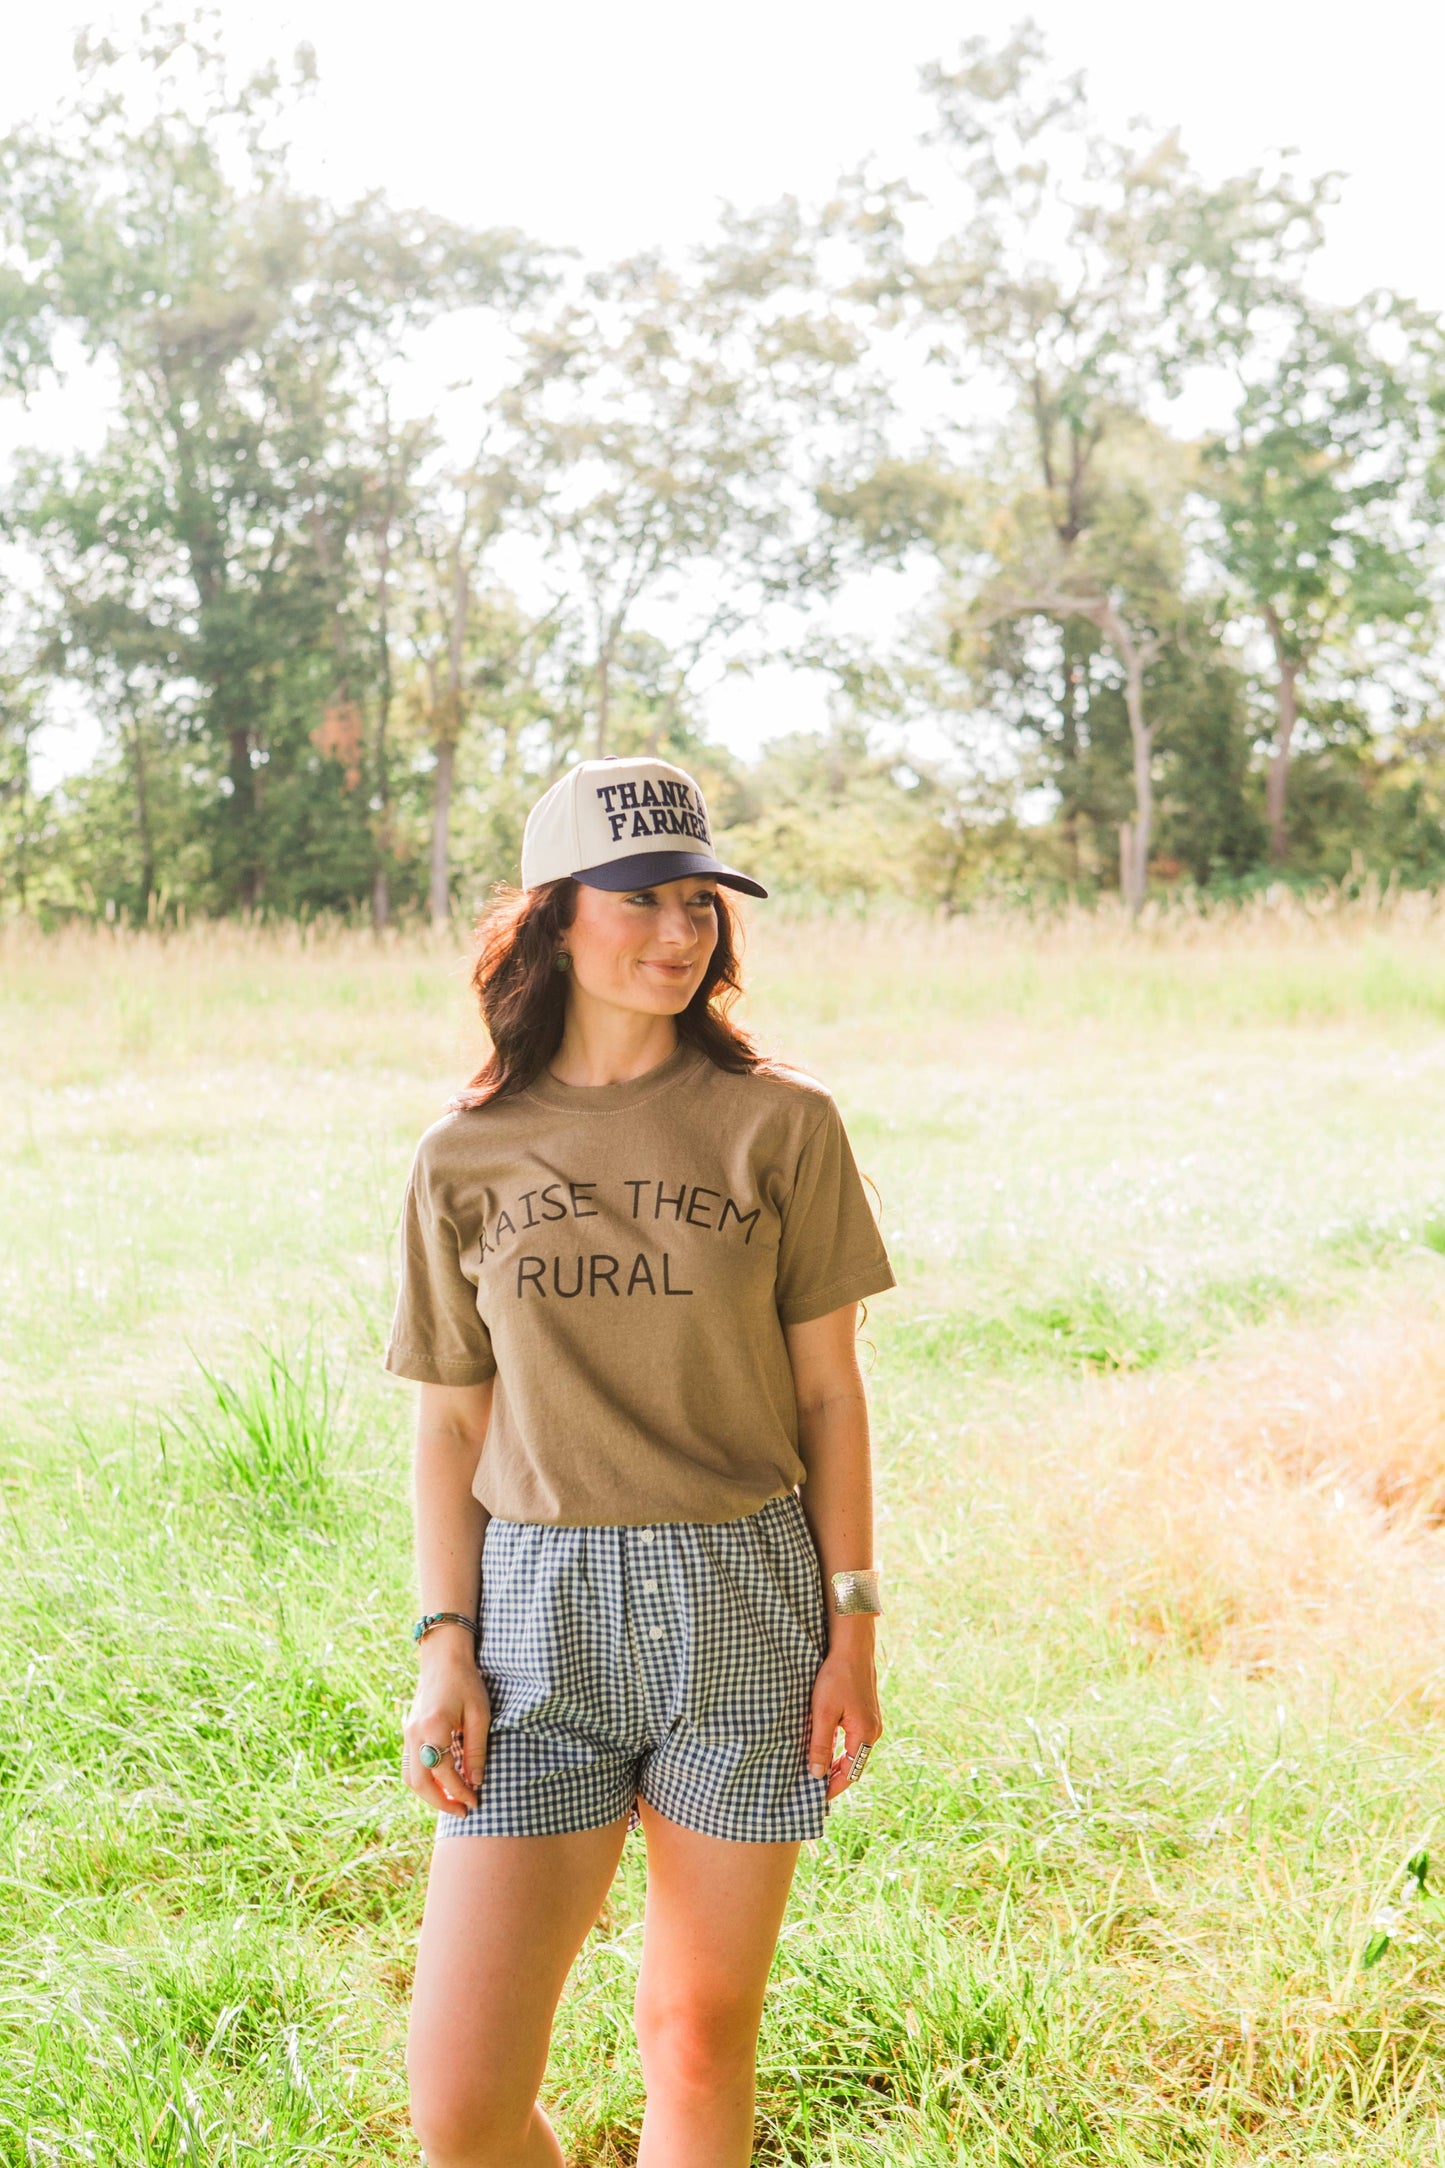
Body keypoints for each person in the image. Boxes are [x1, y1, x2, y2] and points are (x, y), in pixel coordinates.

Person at [385, 755, 896, 2168]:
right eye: (641, 901)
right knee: (463, 2100)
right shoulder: (465, 1154)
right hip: (537, 1612)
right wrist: (446, 1643)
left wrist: (851, 1630)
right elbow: (449, 1421)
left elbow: (829, 1395)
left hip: (745, 1594)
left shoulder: (778, 1125)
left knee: (694, 2036)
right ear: (556, 920)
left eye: (700, 904)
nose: (679, 933)